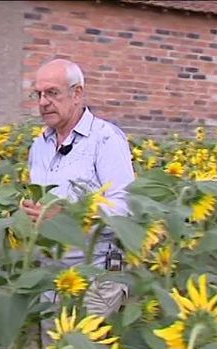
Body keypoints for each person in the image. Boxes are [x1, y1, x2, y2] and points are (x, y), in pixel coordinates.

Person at [21, 58, 135, 320]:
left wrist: (67, 216)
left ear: (77, 94)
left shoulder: (105, 139)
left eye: (52, 93)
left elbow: (124, 209)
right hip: (52, 275)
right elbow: (43, 201)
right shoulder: (39, 145)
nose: (42, 102)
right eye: (38, 94)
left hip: (94, 276)